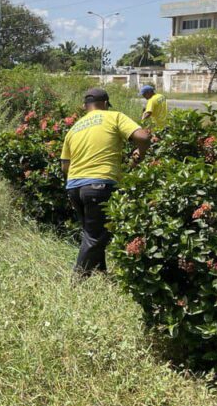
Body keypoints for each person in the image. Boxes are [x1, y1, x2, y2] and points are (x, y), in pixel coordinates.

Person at [60, 87, 151, 276]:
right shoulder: (114, 116)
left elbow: (64, 167)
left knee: (92, 234)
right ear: (105, 104)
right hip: (99, 184)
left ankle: (102, 274)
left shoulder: (74, 128)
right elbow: (143, 136)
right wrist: (139, 156)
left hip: (74, 187)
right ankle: (77, 282)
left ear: (85, 106)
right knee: (96, 237)